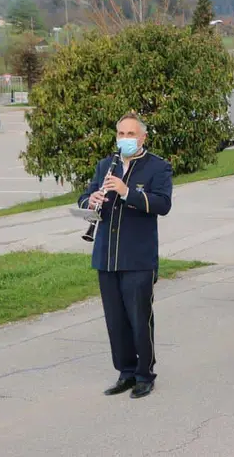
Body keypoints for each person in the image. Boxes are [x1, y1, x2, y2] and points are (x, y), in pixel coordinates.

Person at [78, 112, 173, 399]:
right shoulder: (106, 165)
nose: (125, 139)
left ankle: (145, 374)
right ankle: (125, 371)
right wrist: (91, 200)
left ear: (143, 137)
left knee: (139, 317)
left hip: (138, 257)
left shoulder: (158, 167)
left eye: (131, 134)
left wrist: (126, 191)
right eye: (121, 134)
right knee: (115, 319)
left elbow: (163, 204)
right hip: (106, 254)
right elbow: (84, 197)